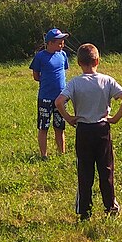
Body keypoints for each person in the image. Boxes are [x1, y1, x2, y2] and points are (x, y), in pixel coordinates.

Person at [55, 43, 122, 220]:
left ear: (79, 63)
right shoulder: (106, 80)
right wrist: (115, 118)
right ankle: (110, 207)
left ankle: (84, 211)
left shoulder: (74, 82)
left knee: (85, 171)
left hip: (83, 129)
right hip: (102, 129)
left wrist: (68, 117)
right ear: (97, 60)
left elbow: (59, 101)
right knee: (106, 169)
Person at [29, 28, 70, 159]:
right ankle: (43, 155)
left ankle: (61, 153)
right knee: (43, 127)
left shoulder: (63, 55)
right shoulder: (40, 57)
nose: (62, 44)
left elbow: (64, 71)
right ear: (50, 43)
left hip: (61, 98)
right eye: (60, 42)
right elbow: (36, 75)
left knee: (60, 126)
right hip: (45, 98)